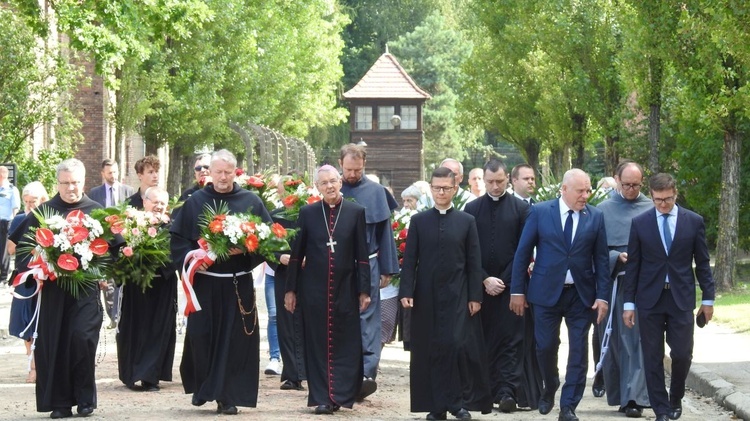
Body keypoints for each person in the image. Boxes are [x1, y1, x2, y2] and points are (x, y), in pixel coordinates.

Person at [9, 158, 122, 419]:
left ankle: (84, 399)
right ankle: (59, 403)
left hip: (85, 292)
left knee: (82, 339)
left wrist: (103, 272)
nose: (71, 188)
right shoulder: (43, 213)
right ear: (57, 184)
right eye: (65, 183)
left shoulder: (96, 210)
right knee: (55, 344)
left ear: (83, 182)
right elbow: (24, 251)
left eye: (76, 183)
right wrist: (38, 268)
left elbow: (115, 251)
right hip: (53, 292)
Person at [171, 149, 273, 415]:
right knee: (201, 336)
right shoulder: (195, 202)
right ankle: (205, 387)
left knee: (235, 341)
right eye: (218, 172)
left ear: (235, 172)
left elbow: (268, 240)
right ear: (210, 173)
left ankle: (226, 396)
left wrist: (245, 251)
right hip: (204, 283)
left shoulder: (250, 201)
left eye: (228, 172)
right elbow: (178, 241)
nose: (223, 177)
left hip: (237, 284)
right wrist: (195, 259)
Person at [510, 168, 610, 421]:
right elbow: (523, 253)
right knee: (544, 347)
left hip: (581, 295)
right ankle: (550, 384)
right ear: (564, 189)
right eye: (580, 190)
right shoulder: (541, 212)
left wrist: (602, 296)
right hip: (545, 294)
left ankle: (568, 405)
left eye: (588, 190)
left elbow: (601, 259)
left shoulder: (595, 217)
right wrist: (517, 291)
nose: (585, 195)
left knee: (578, 350)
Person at [399, 166, 492, 421]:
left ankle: (457, 402)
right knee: (430, 349)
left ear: (454, 189)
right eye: (437, 187)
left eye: (446, 188)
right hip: (426, 295)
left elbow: (474, 262)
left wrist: (475, 296)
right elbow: (410, 260)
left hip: (458, 294)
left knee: (455, 346)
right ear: (430, 188)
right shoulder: (419, 221)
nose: (441, 192)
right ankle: (436, 406)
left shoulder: (466, 221)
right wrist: (406, 290)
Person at [622, 173, 715, 421]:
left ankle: (676, 397)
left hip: (680, 297)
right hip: (649, 299)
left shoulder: (692, 221)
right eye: (658, 200)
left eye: (668, 199)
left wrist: (708, 299)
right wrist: (628, 303)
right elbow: (633, 267)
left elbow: (703, 263)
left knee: (682, 353)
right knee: (652, 356)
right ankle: (661, 409)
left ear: (675, 194)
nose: (663, 205)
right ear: (651, 195)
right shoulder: (640, 223)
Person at [284, 165, 371, 414]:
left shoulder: (355, 212)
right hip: (314, 290)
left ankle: (341, 395)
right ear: (317, 187)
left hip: (345, 287)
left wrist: (364, 289)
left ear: (341, 182)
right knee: (317, 344)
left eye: (333, 181)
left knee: (345, 342)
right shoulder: (308, 213)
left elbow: (362, 256)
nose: (329, 186)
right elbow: (295, 255)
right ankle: (322, 397)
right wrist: (291, 289)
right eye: (324, 183)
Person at [464, 159, 542, 413]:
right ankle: (486, 392)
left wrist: (504, 280)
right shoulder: (472, 208)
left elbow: (524, 250)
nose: (495, 186)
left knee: (512, 340)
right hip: (482, 286)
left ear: (507, 178)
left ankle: (508, 392)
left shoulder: (521, 209)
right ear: (483, 181)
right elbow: (468, 250)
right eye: (490, 182)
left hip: (512, 287)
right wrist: (485, 278)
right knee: (484, 339)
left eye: (499, 181)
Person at [339, 143, 400, 400]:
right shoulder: (331, 188)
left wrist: (388, 267)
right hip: (340, 265)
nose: (352, 174)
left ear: (364, 164)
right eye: (348, 169)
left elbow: (385, 232)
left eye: (357, 169)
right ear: (340, 164)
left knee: (368, 319)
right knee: (341, 317)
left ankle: (366, 374)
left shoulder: (376, 192)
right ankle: (343, 375)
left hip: (371, 263)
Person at [595, 161, 652, 417]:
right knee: (618, 342)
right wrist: (616, 256)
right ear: (617, 180)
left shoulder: (651, 207)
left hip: (644, 286)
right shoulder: (602, 211)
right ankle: (621, 393)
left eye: (636, 185)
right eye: (626, 184)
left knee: (638, 342)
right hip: (615, 285)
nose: (631, 189)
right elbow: (594, 252)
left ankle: (635, 397)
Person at [116, 186, 177, 393]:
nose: (158, 206)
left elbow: (177, 253)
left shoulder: (173, 226)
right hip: (136, 285)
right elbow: (120, 250)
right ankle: (131, 373)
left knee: (158, 330)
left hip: (163, 285)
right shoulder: (132, 224)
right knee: (134, 328)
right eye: (154, 202)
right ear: (144, 203)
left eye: (162, 203)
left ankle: (151, 377)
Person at [7, 181, 49, 384]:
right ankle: (32, 364)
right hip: (25, 277)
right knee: (25, 323)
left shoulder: (50, 221)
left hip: (45, 277)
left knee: (42, 322)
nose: (29, 206)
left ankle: (40, 365)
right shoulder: (20, 220)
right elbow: (10, 249)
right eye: (26, 202)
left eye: (33, 202)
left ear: (43, 201)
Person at [88, 159, 136, 328]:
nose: (113, 175)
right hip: (103, 242)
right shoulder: (94, 193)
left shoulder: (128, 191)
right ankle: (112, 314)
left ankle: (119, 312)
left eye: (115, 172)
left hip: (124, 242)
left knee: (120, 277)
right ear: (103, 174)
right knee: (106, 281)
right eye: (109, 173)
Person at [269, 176, 306, 391]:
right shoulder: (275, 217)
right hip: (284, 273)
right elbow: (266, 245)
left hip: (308, 273)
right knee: (286, 322)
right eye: (286, 191)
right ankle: (292, 374)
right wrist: (278, 257)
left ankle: (309, 371)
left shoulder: (310, 212)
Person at [0, 165, 21, 283]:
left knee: (4, 249)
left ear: (2, 176)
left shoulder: (12, 189)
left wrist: (14, 224)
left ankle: (3, 275)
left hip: (6, 222)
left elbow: (15, 208)